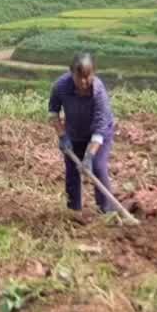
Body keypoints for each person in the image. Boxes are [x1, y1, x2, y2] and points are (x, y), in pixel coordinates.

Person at [48, 53, 120, 214]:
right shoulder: (60, 86)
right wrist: (62, 135)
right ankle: (73, 211)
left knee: (98, 167)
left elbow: (100, 128)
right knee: (72, 170)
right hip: (73, 134)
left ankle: (106, 211)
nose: (83, 82)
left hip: (100, 135)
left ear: (93, 74)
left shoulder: (98, 92)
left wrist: (89, 156)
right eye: (78, 77)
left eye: (87, 77)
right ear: (71, 73)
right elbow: (53, 112)